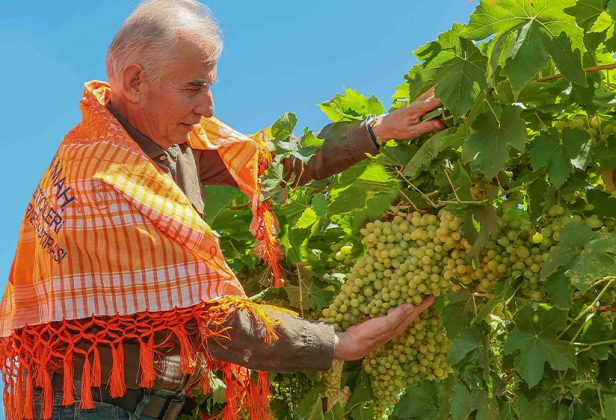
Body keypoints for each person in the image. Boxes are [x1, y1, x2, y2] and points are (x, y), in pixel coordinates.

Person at [0, 1, 444, 419]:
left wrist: (376, 131)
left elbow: (264, 163)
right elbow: (206, 316)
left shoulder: (161, 143)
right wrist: (336, 344)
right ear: (135, 82)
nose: (208, 106)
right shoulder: (104, 180)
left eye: (209, 86)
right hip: (93, 409)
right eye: (193, 88)